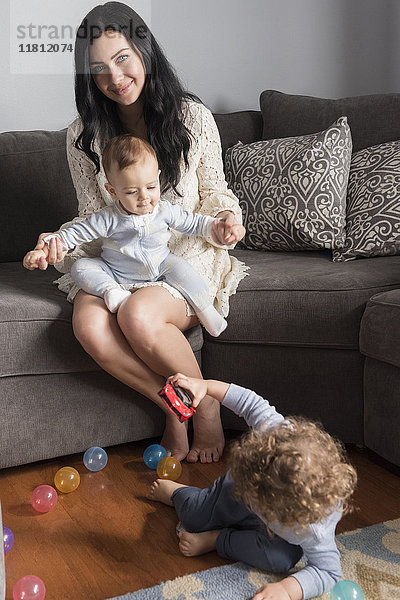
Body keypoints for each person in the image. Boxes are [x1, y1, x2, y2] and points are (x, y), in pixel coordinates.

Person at [25, 2, 248, 463]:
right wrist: (56, 245)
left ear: (143, 51)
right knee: (88, 324)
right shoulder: (83, 135)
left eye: (123, 58)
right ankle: (174, 404)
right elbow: (91, 218)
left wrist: (227, 220)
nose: (115, 77)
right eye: (99, 69)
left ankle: (203, 405)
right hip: (117, 260)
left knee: (139, 316)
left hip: (180, 253)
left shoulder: (192, 117)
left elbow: (214, 192)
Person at [148, 373, 357, 600]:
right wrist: (205, 386)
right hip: (236, 490)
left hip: (275, 525)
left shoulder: (315, 528)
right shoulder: (277, 435)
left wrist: (287, 590)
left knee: (280, 559)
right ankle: (176, 492)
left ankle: (217, 539)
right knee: (193, 517)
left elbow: (329, 572)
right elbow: (249, 402)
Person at [24, 135, 244, 336]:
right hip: (117, 272)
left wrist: (219, 226)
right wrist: (44, 248)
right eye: (131, 192)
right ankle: (111, 292)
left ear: (158, 178)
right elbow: (75, 234)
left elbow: (194, 223)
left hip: (161, 265)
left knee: (185, 271)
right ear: (113, 191)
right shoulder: (108, 217)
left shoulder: (165, 210)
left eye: (151, 187)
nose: (144, 197)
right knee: (80, 268)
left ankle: (206, 310)